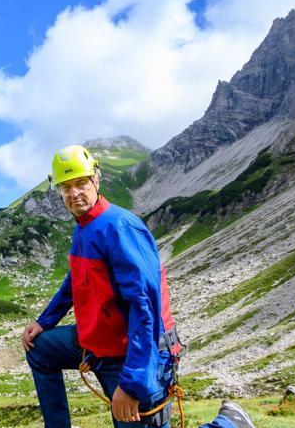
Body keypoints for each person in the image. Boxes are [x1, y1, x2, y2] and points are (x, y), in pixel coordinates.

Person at [22, 145, 256, 428]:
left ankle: (229, 424)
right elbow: (76, 279)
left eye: (81, 183)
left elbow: (144, 308)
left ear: (96, 180)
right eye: (66, 186)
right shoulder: (84, 227)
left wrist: (132, 383)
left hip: (138, 351)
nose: (74, 193)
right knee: (40, 348)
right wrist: (45, 321)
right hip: (101, 343)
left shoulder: (120, 227)